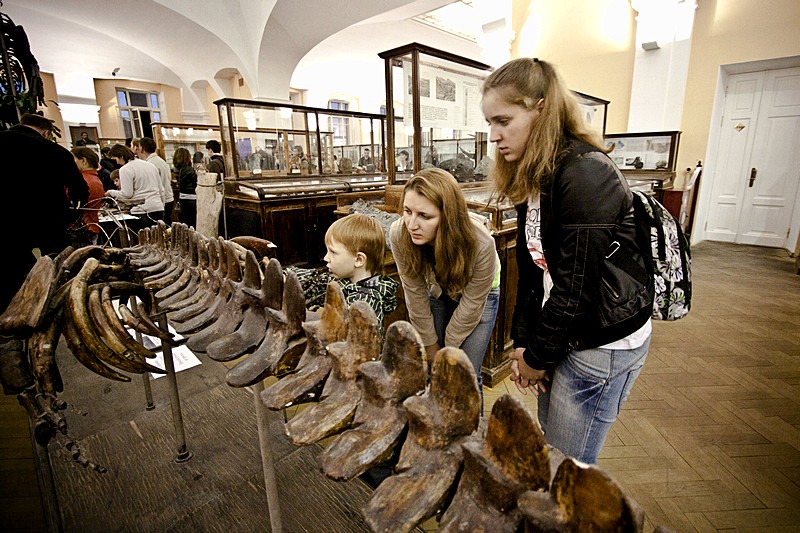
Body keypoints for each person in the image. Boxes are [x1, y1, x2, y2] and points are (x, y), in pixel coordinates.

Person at [481, 57, 653, 464]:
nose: (493, 136)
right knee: (552, 438)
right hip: (566, 328)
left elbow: (577, 287)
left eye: (503, 121)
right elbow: (531, 269)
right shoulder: (535, 174)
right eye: (490, 123)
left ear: (541, 108)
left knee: (569, 464)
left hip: (602, 338)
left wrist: (537, 357)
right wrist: (523, 345)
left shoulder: (585, 174)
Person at [389, 168, 500, 392]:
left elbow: (471, 304)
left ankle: (471, 428)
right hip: (438, 288)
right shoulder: (399, 234)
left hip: (479, 297)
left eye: (424, 216)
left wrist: (447, 349)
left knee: (464, 373)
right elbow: (414, 293)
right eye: (407, 211)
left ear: (447, 216)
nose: (412, 224)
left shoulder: (481, 243)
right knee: (433, 369)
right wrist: (430, 346)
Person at [0, 113, 88, 313]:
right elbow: (79, 190)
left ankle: (10, 320)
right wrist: (72, 216)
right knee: (55, 266)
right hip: (48, 221)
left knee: (9, 270)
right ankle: (54, 312)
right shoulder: (55, 151)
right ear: (47, 132)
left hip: (6, 223)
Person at [288, 214, 398, 333]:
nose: (326, 258)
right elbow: (316, 282)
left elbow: (354, 341)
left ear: (358, 260)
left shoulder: (364, 302)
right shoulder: (344, 280)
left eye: (333, 252)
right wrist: (287, 275)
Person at [105, 143, 165, 227]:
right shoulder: (150, 165)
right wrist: (162, 205)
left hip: (142, 210)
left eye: (115, 159)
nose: (117, 163)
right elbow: (161, 189)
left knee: (144, 238)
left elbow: (127, 194)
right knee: (160, 237)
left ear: (121, 156)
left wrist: (111, 192)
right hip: (158, 208)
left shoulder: (125, 169)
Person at [70, 147, 106, 246]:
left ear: (84, 161)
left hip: (80, 229)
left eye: (73, 160)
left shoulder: (82, 181)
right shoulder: (95, 179)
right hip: (90, 226)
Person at [139, 137, 175, 222]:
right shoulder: (161, 161)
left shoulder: (150, 164)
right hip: (168, 197)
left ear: (142, 148)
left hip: (162, 200)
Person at [173, 147, 197, 228]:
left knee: (185, 223)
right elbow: (195, 183)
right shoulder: (189, 169)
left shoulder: (175, 170)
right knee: (193, 223)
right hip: (192, 198)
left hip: (182, 198)